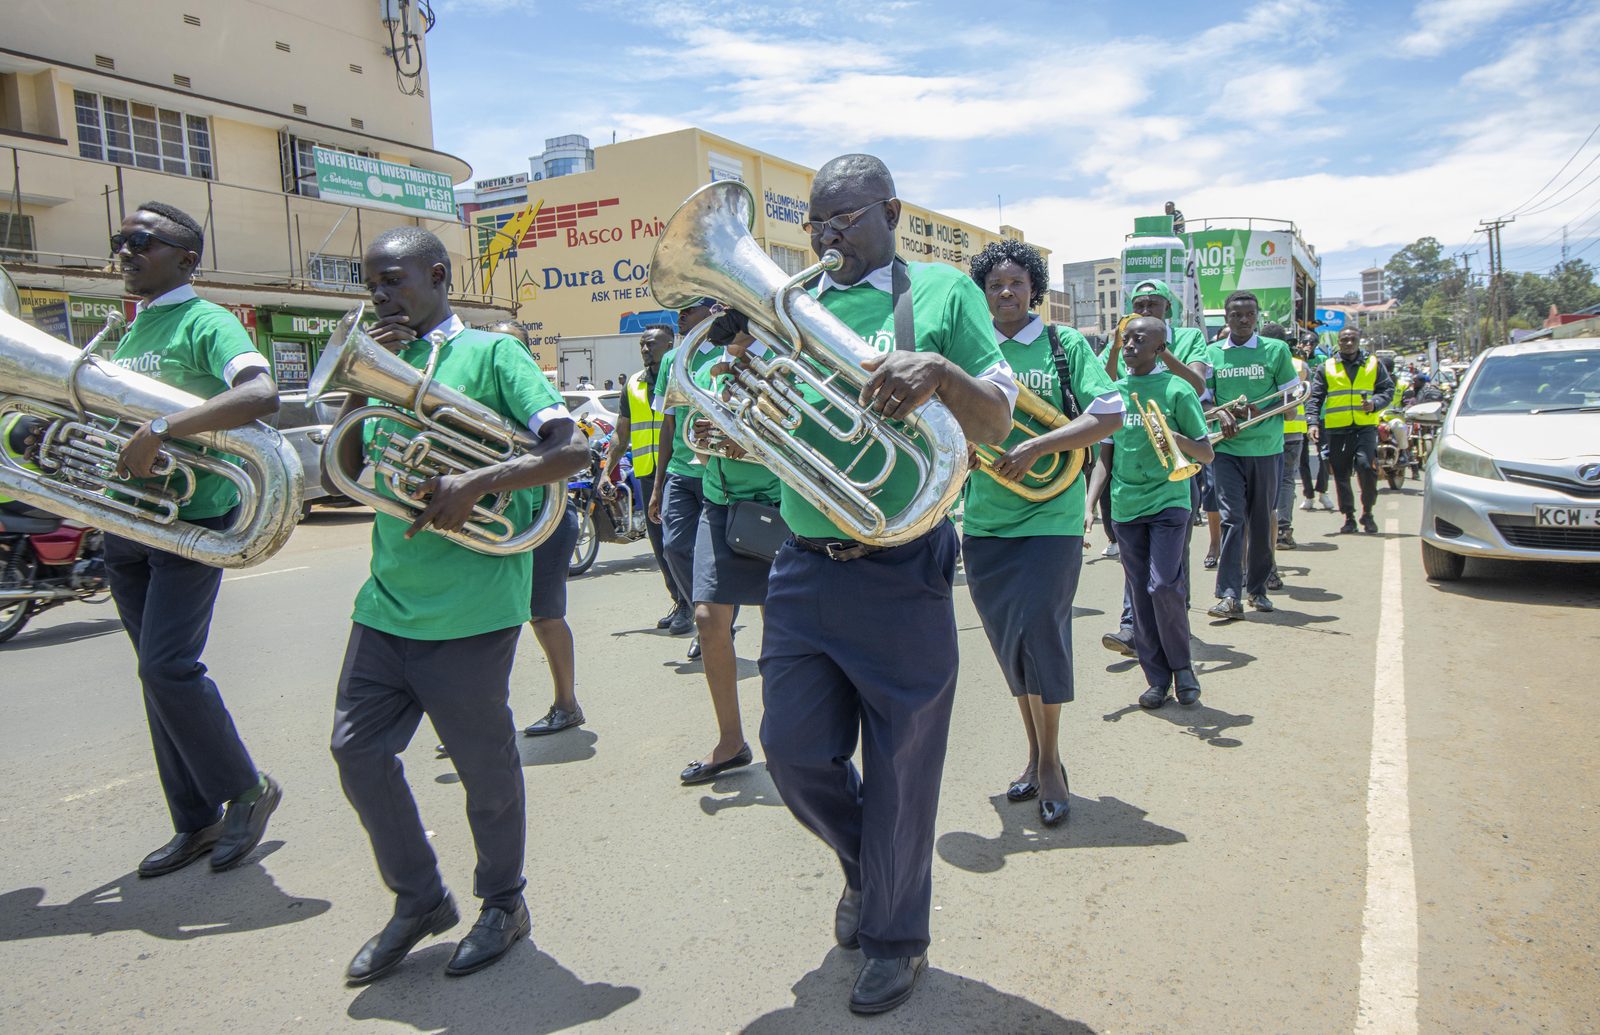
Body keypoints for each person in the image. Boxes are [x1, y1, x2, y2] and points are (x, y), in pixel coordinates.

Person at [752, 154, 1013, 1015]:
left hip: (904, 567)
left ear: (891, 211)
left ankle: (896, 937)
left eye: (845, 222)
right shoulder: (793, 303)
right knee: (790, 749)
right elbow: (779, 415)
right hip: (802, 563)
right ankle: (872, 867)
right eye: (815, 227)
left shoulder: (944, 295)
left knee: (902, 765)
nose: (827, 240)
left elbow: (999, 419)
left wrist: (938, 371)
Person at [327, 227, 588, 984]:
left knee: (484, 771)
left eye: (393, 280)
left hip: (474, 607)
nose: (379, 296)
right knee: (355, 750)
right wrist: (358, 385)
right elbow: (346, 468)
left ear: (438, 276)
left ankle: (503, 902)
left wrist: (480, 481)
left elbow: (571, 449)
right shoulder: (386, 363)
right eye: (371, 283)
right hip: (385, 601)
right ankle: (419, 899)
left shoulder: (493, 353)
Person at [103, 201, 283, 879]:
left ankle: (247, 789)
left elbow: (260, 391)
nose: (125, 250)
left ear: (185, 257)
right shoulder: (130, 330)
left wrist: (163, 429)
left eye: (140, 241)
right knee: (154, 679)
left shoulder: (205, 320)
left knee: (167, 667)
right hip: (128, 523)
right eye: (121, 239)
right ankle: (196, 819)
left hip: (186, 521)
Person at [964, 239, 1122, 826]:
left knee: (1043, 636)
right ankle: (1032, 754)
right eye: (995, 286)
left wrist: (1037, 446)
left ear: (1035, 289)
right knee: (1012, 646)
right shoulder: (970, 349)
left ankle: (1052, 763)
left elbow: (1107, 413)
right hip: (984, 522)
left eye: (1017, 284)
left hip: (1050, 518)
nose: (1006, 294)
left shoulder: (1065, 344)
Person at [678, 311, 781, 785]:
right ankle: (731, 741)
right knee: (706, 618)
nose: (729, 333)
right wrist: (707, 441)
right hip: (720, 505)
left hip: (778, 508)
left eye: (738, 324)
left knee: (779, 628)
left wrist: (748, 444)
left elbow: (800, 435)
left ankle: (784, 737)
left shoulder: (782, 364)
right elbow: (698, 444)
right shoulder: (705, 368)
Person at [1095, 317, 1213, 707]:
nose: (1128, 345)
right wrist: (1090, 503)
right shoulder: (1114, 391)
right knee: (1140, 596)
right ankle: (1157, 678)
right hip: (1126, 508)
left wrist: (1168, 433)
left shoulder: (1178, 389)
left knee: (1163, 585)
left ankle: (1183, 669)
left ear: (1159, 348)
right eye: (1125, 339)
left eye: (1138, 340)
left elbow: (1205, 451)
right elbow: (1104, 458)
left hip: (1169, 501)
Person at [488, 322, 587, 739]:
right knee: (494, 620)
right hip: (504, 524)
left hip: (545, 520)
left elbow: (567, 449)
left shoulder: (537, 399)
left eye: (513, 345)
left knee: (545, 616)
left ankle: (567, 705)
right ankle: (485, 713)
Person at [1205, 291, 1299, 619]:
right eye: (1236, 315)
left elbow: (1293, 396)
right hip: (1227, 449)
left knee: (1260, 520)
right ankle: (1229, 595)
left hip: (1266, 448)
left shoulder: (1276, 350)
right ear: (1226, 318)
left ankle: (1257, 589)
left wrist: (1265, 407)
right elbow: (1203, 400)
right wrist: (1220, 412)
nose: (1243, 320)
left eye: (1249, 314)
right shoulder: (1212, 353)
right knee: (1233, 518)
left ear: (1257, 316)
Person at [649, 298, 719, 655]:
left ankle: (713, 625)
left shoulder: (724, 352)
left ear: (711, 310)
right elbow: (668, 422)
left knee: (713, 556)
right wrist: (657, 485)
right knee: (674, 547)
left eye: (689, 308)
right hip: (679, 470)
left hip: (714, 470)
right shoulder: (670, 361)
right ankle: (704, 615)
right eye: (679, 310)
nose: (681, 315)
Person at [604, 326, 681, 630]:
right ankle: (680, 600)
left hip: (679, 472)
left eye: (651, 344)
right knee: (660, 545)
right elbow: (621, 435)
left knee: (678, 545)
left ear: (670, 344)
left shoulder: (680, 376)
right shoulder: (633, 384)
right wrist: (605, 470)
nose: (645, 349)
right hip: (647, 475)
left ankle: (692, 604)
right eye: (642, 345)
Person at [1307, 327, 1393, 534]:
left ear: (1358, 341)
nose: (1348, 343)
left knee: (1366, 467)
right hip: (1337, 429)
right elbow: (1316, 397)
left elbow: (1387, 389)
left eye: (1352, 339)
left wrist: (1375, 403)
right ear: (1339, 341)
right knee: (1341, 474)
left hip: (1364, 427)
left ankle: (1368, 512)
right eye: (1344, 340)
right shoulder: (1326, 366)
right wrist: (1312, 423)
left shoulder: (1373, 364)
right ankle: (1349, 516)